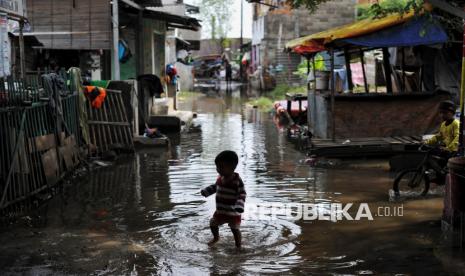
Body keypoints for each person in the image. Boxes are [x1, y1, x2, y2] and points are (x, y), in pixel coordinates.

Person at [201, 150, 246, 249]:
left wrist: (239, 206)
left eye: (221, 167)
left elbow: (242, 193)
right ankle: (216, 238)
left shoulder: (237, 181)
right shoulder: (220, 178)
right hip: (221, 210)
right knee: (213, 223)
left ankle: (238, 246)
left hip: (233, 212)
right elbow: (216, 187)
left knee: (235, 229)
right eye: (217, 167)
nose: (218, 169)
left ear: (232, 167)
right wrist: (206, 191)